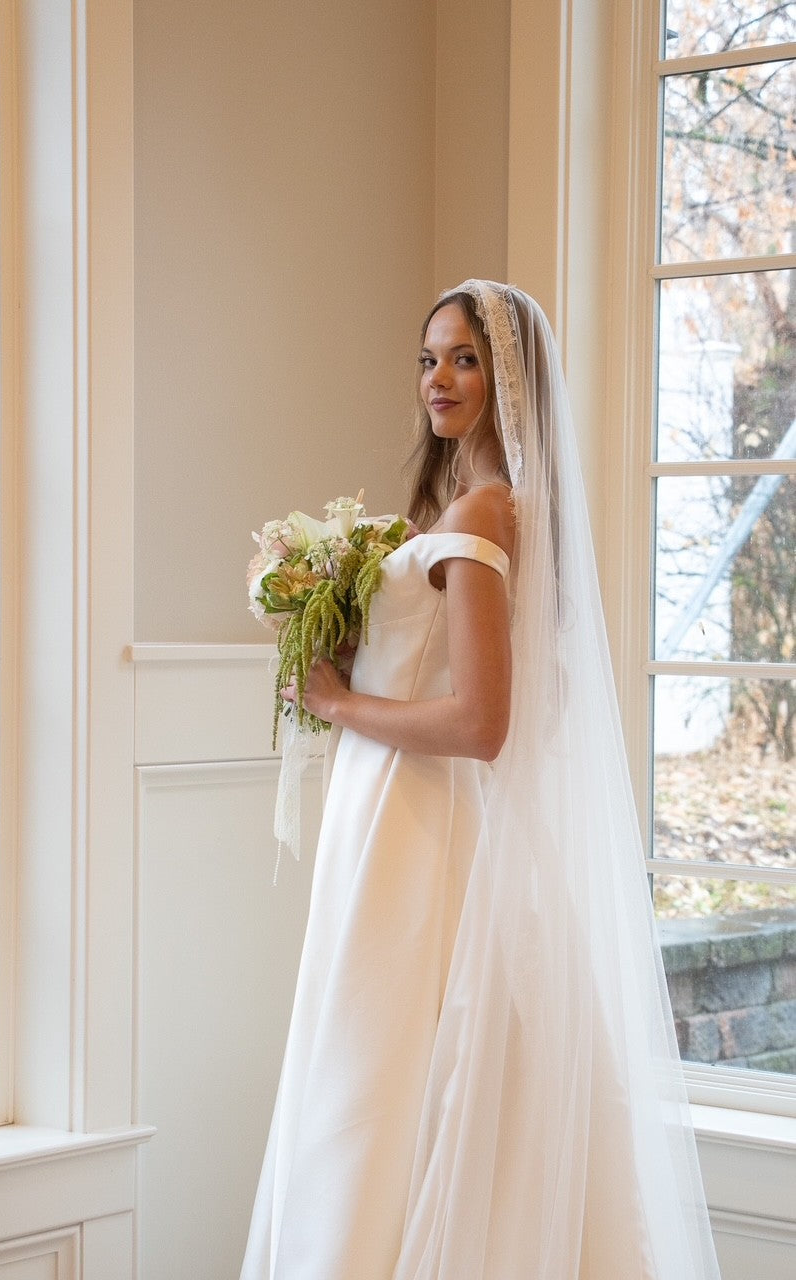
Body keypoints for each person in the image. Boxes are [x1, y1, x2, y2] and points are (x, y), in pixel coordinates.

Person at [240, 280, 721, 1280]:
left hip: (421, 831)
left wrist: (336, 702)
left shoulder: (484, 509)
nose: (438, 379)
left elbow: (481, 723)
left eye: (463, 358)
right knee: (382, 1089)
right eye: (426, 358)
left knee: (378, 1089)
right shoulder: (477, 507)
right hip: (399, 821)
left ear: (507, 380)